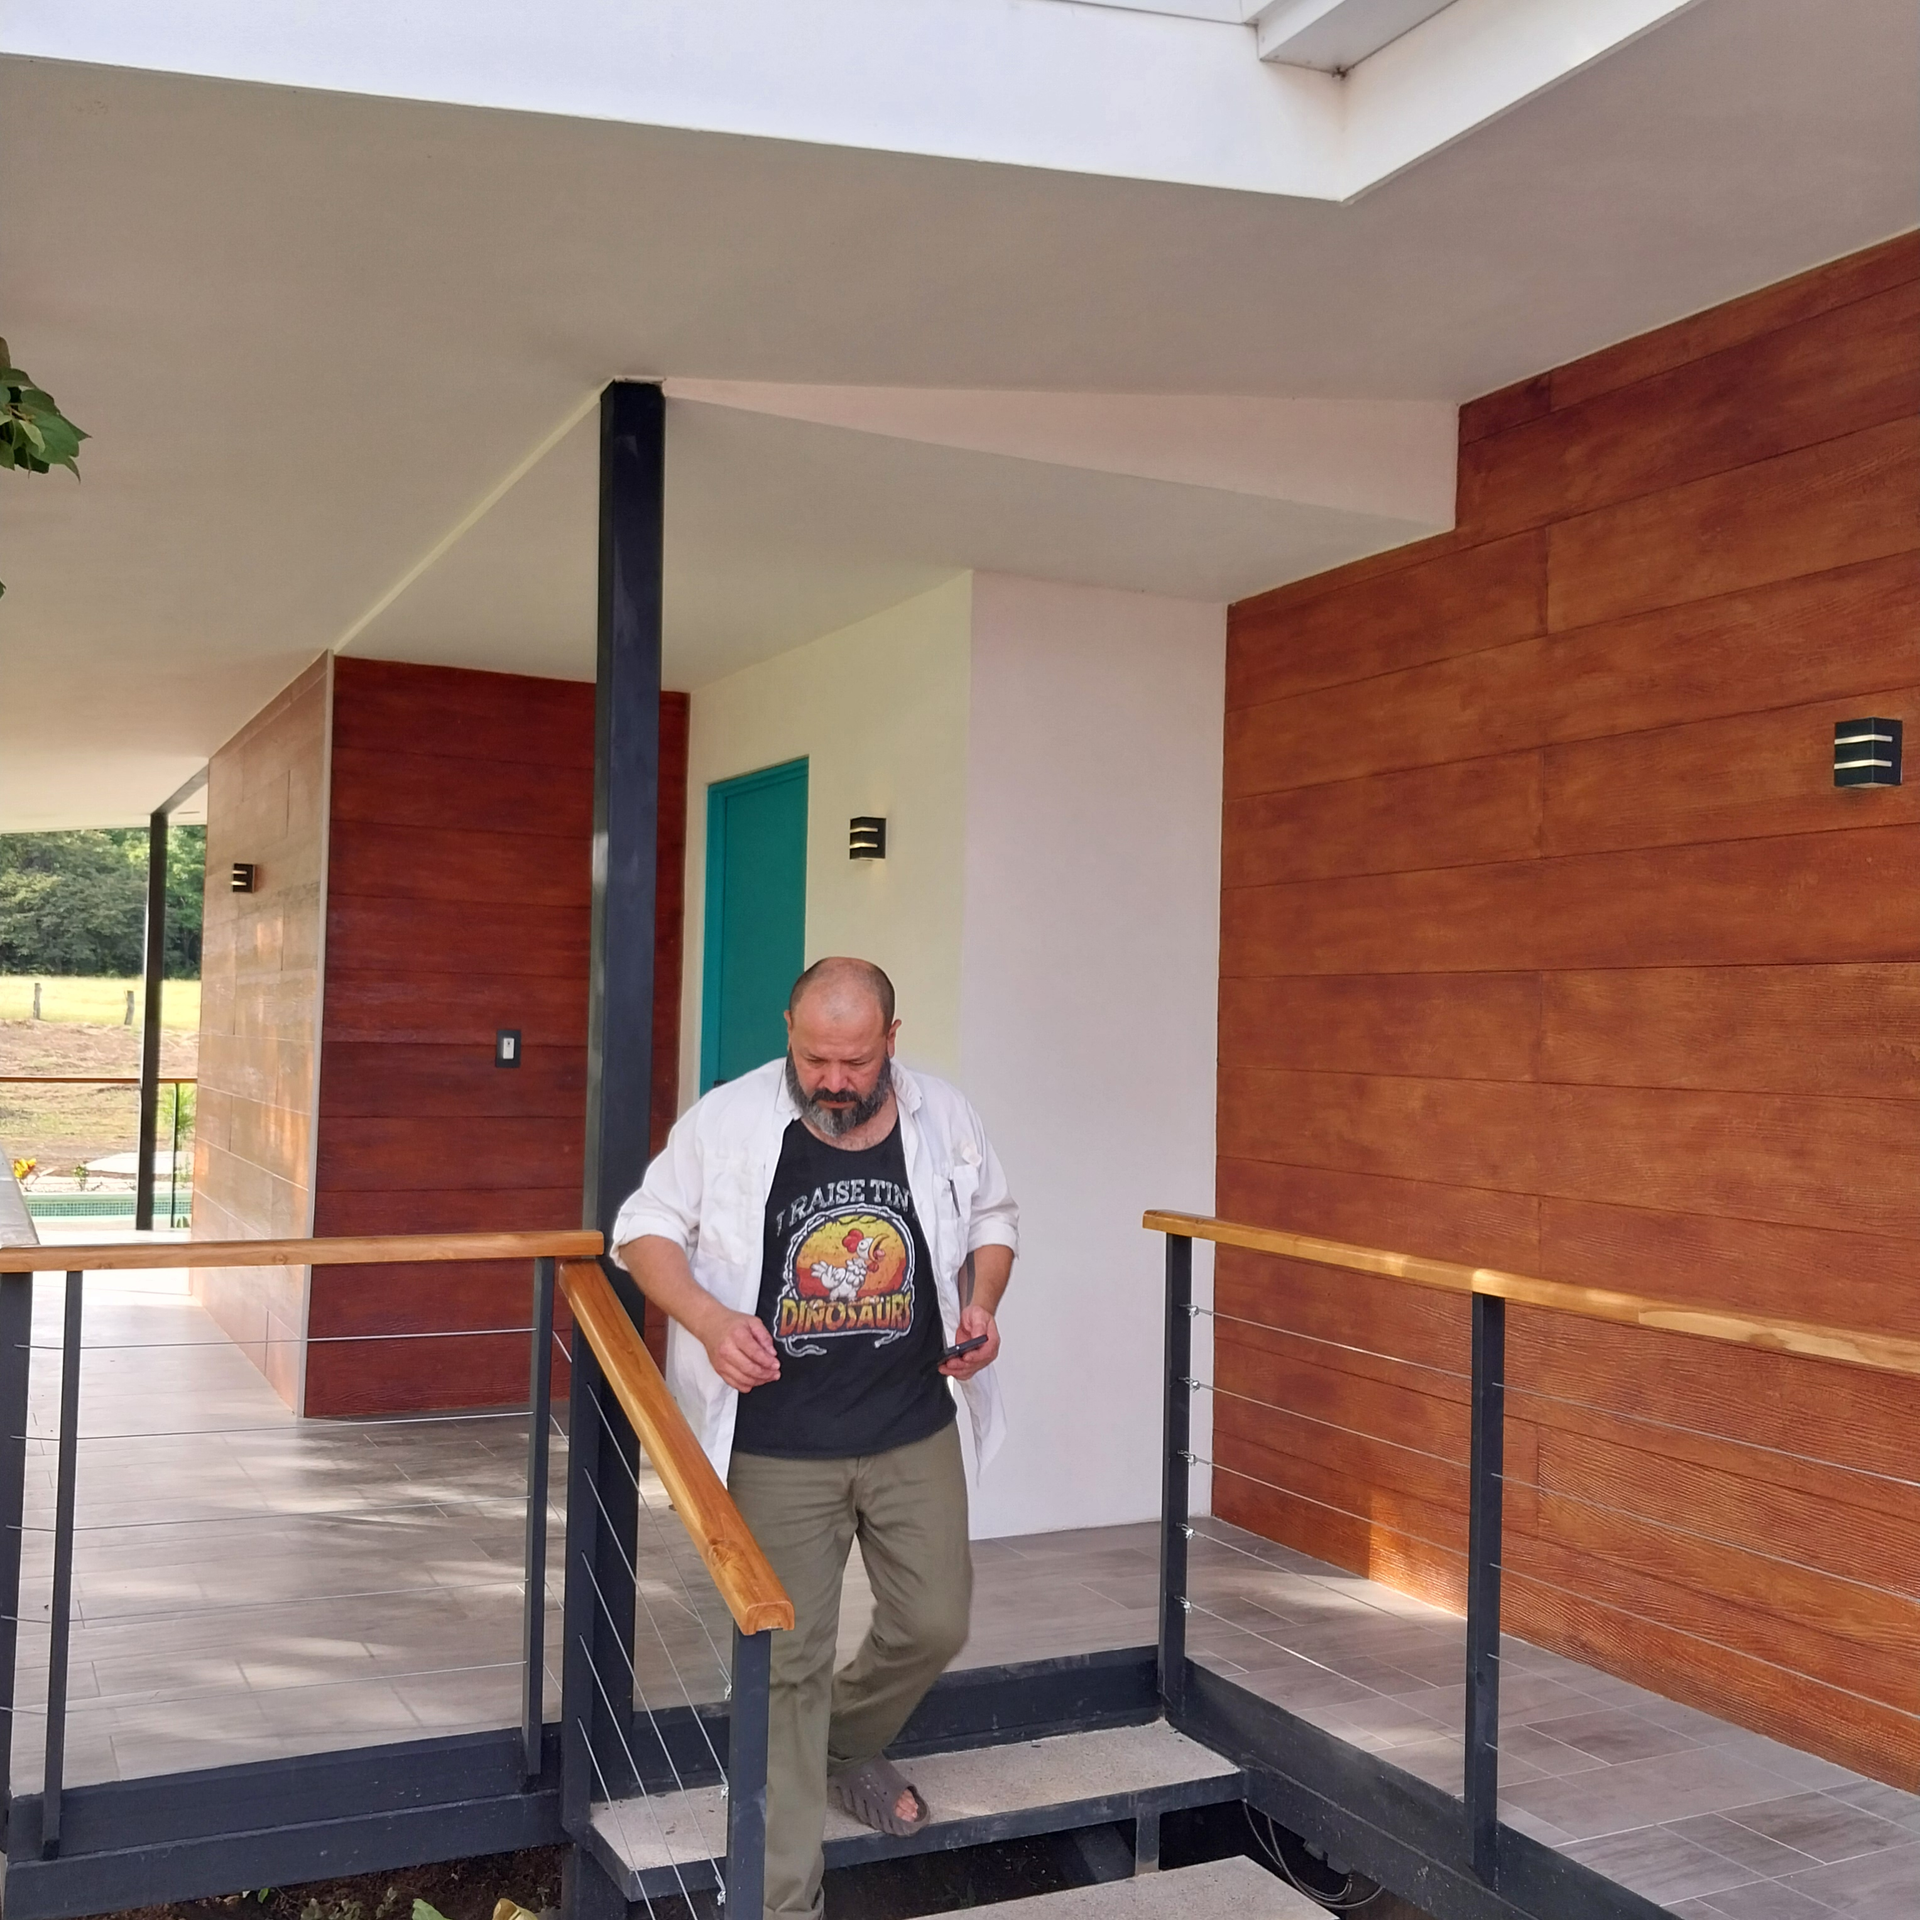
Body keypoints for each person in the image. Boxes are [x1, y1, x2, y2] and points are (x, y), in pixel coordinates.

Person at [612, 956, 1017, 1920]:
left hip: (912, 1418)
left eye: (853, 1061)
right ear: (789, 1030)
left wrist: (983, 1302)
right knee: (785, 1663)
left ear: (891, 1039)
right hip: (778, 1443)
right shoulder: (728, 1120)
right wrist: (710, 1323)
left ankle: (840, 1749)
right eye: (814, 1057)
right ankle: (780, 1902)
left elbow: (994, 1218)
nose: (833, 1080)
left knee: (936, 1622)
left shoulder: (944, 1115)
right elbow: (642, 1229)